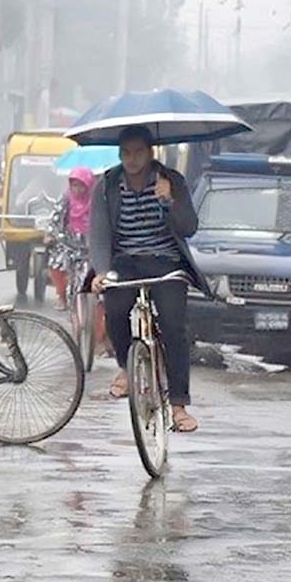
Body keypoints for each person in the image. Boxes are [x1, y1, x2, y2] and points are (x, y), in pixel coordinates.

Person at [89, 125, 209, 433]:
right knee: (114, 307)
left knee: (173, 324)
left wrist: (170, 201)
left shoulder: (172, 180)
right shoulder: (106, 185)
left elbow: (189, 227)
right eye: (126, 153)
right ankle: (126, 369)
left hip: (166, 262)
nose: (132, 159)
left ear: (150, 152)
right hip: (125, 262)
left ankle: (179, 405)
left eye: (138, 152)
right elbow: (99, 233)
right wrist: (101, 271)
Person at [44, 167, 110, 355]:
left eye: (81, 185)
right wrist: (52, 235)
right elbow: (55, 220)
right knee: (57, 266)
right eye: (74, 185)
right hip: (70, 248)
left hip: (93, 251)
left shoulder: (98, 200)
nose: (77, 189)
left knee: (102, 294)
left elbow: (107, 223)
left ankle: (102, 338)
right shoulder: (65, 199)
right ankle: (63, 299)